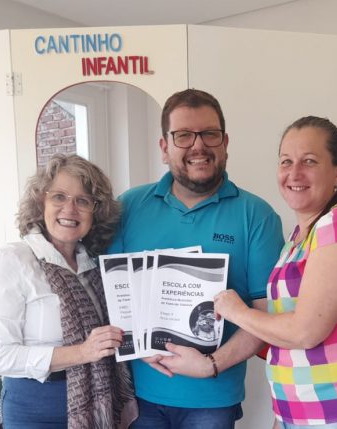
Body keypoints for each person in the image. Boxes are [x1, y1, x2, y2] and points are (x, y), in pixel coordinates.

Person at [108, 88, 284, 428]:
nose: (198, 146)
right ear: (164, 148)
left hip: (212, 399)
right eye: (184, 135)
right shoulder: (127, 206)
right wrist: (135, 343)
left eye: (209, 134)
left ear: (225, 142)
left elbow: (265, 316)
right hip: (138, 395)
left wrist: (211, 365)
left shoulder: (257, 215)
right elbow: (110, 293)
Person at [213, 116, 337, 429]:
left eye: (309, 161)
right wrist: (283, 418)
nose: (294, 173)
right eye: (286, 161)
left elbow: (305, 332)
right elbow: (290, 343)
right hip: (305, 415)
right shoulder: (298, 239)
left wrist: (236, 311)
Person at [0, 154, 138, 429]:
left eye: (83, 201)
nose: (70, 209)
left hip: (98, 400)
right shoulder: (14, 259)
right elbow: (0, 356)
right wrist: (82, 352)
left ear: (95, 212)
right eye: (59, 197)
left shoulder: (94, 265)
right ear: (40, 202)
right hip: (35, 408)